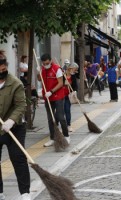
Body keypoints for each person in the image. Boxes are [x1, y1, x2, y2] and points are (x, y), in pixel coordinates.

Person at [0, 50, 31, 200]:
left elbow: (21, 105)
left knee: (18, 158)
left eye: (3, 70)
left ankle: (25, 193)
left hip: (15, 127)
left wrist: (11, 120)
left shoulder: (15, 83)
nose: (1, 73)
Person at [38, 53, 70, 147]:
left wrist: (51, 91)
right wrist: (38, 73)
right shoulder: (43, 69)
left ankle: (66, 135)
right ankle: (52, 138)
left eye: (47, 63)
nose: (45, 65)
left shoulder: (57, 69)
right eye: (44, 63)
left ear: (50, 60)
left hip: (58, 96)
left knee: (60, 117)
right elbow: (40, 80)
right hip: (47, 97)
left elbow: (60, 83)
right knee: (50, 119)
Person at [63, 63, 78, 132]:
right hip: (61, 95)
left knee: (67, 110)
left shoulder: (73, 76)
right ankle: (56, 124)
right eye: (75, 70)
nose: (75, 71)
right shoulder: (63, 75)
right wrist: (64, 83)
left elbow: (75, 86)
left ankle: (68, 125)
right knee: (60, 112)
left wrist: (74, 92)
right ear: (70, 68)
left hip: (68, 96)